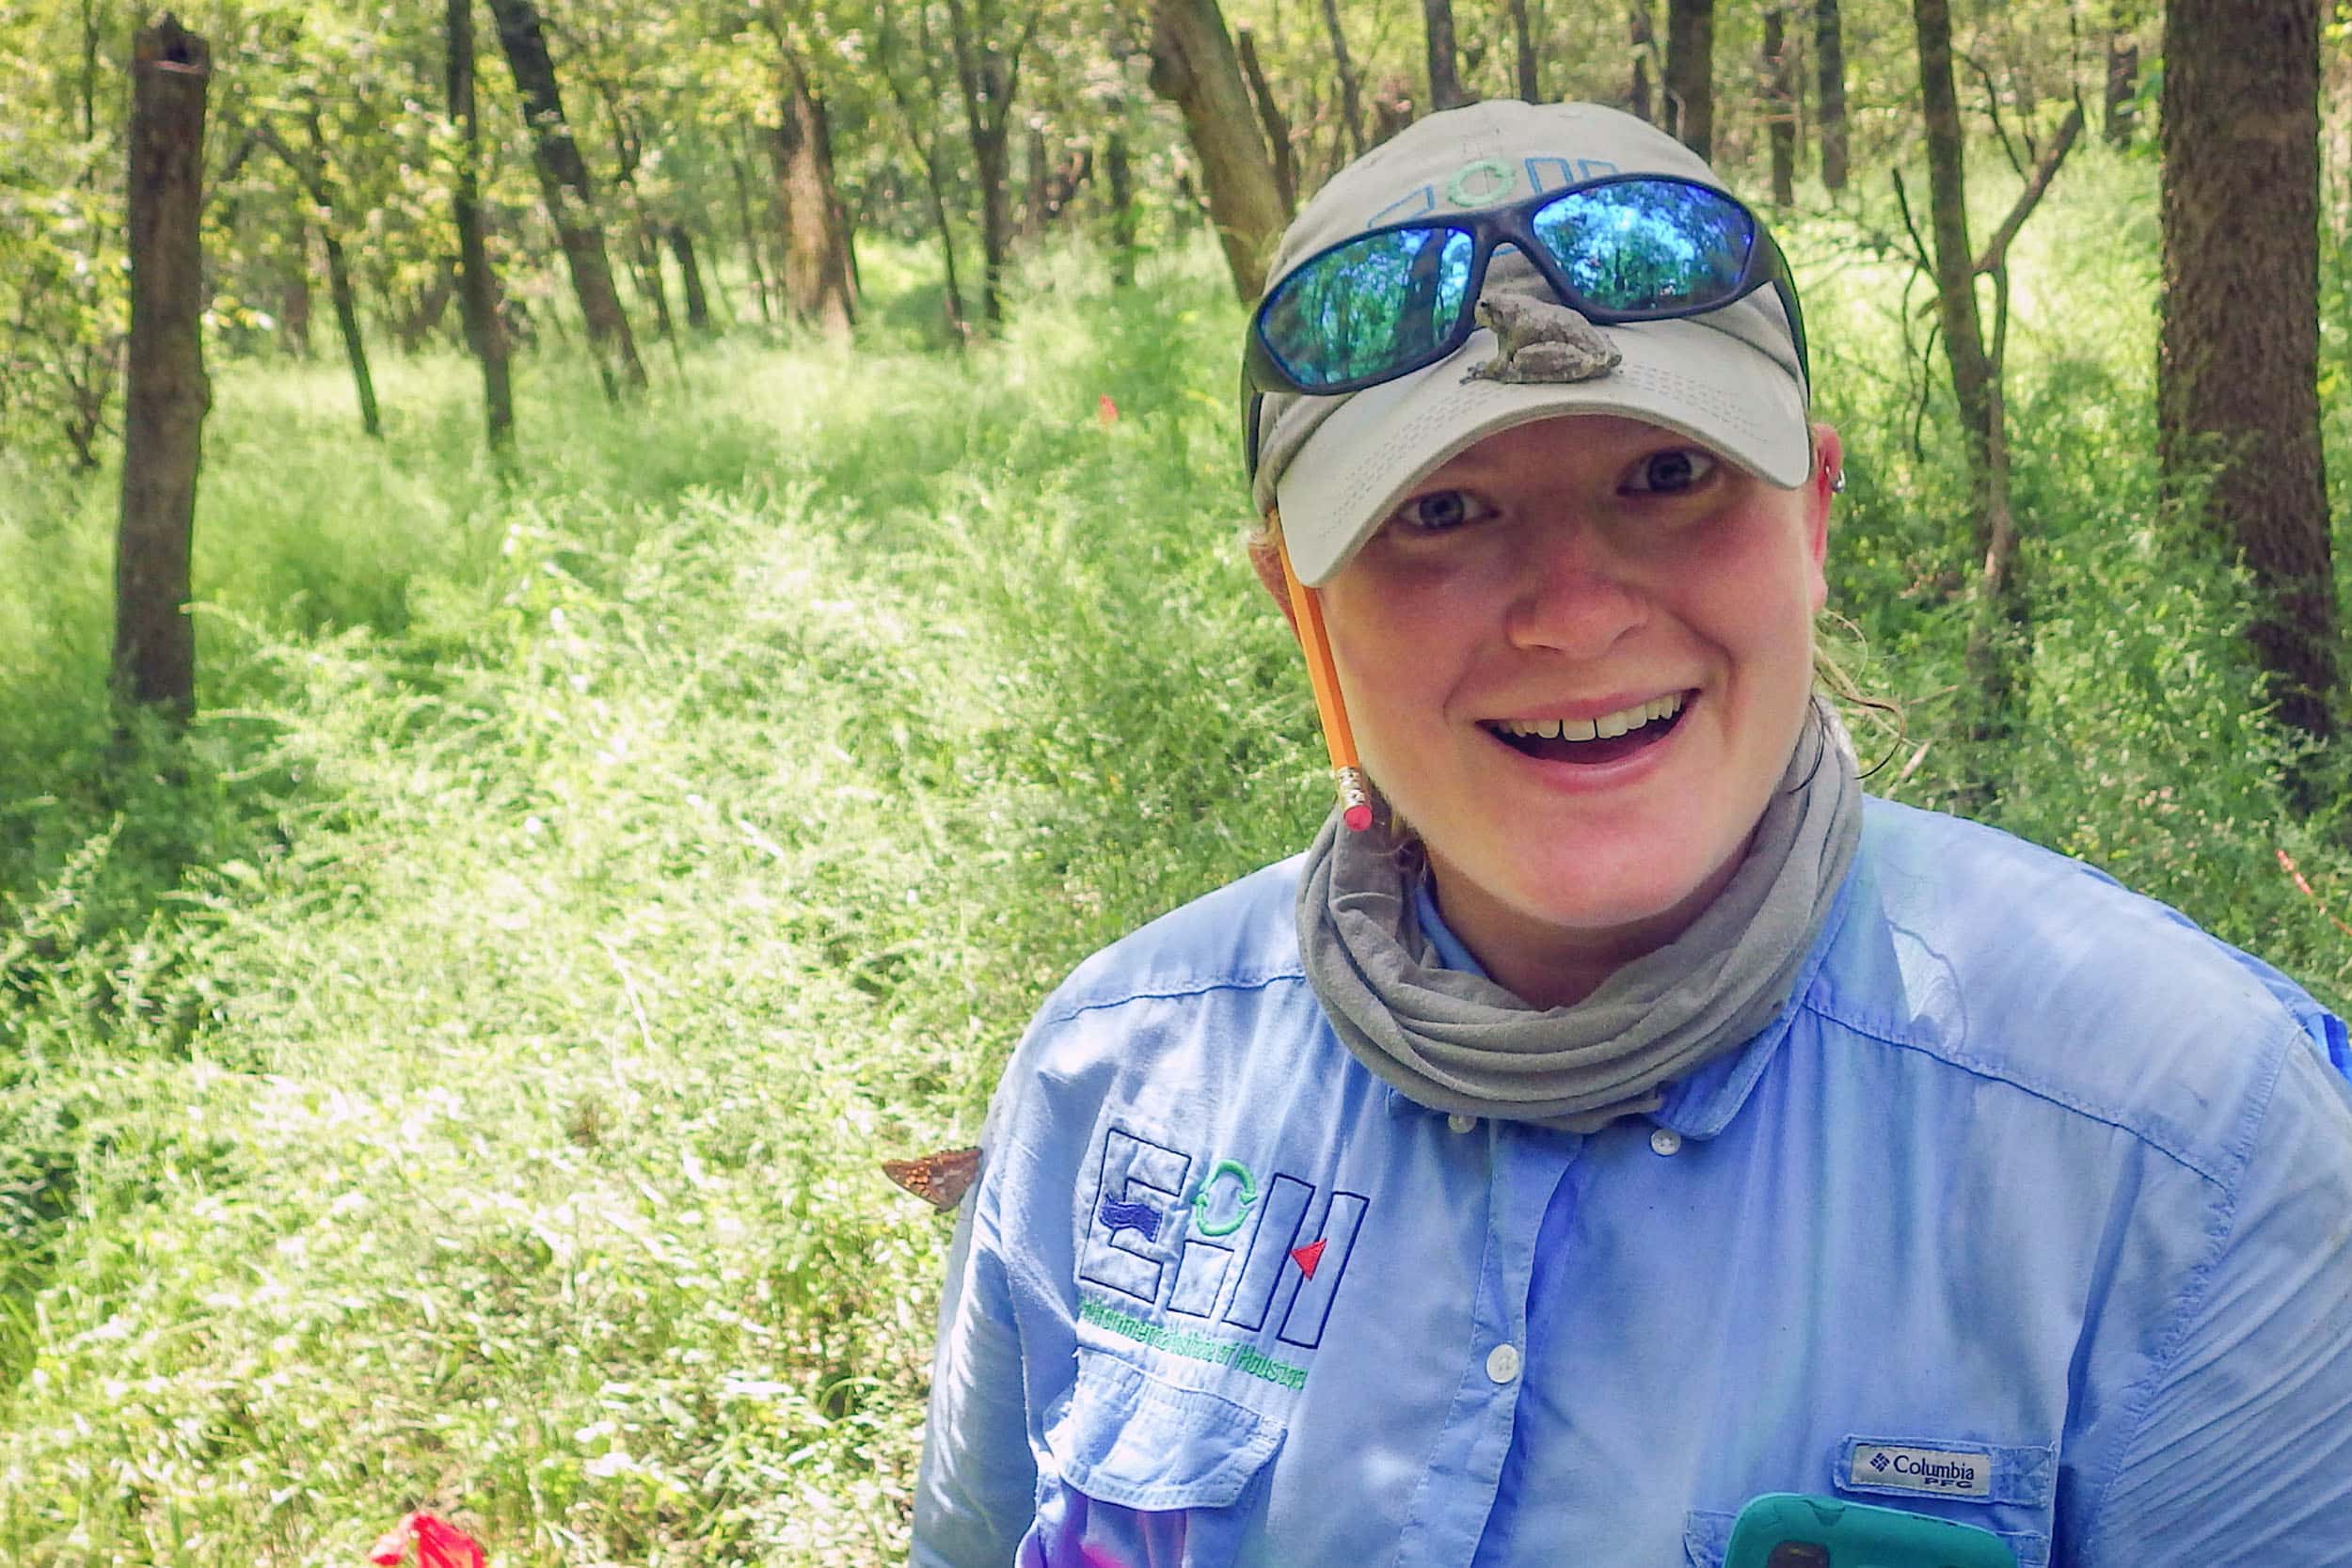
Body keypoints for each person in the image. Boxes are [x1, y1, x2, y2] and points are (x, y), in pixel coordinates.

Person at [909, 101, 2352, 1568]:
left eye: (1669, 477)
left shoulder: (2179, 1153)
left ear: (1813, 522)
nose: (1575, 612)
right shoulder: (1114, 1081)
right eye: (1444, 509)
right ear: (1302, 608)